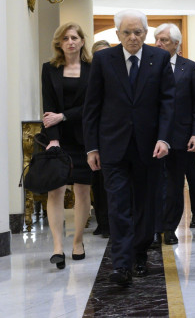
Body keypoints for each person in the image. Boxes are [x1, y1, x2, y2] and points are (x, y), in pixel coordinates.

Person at [83, 9, 175, 287]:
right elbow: (92, 107)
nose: (133, 37)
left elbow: (168, 102)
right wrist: (92, 147)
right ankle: (121, 264)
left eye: (138, 32)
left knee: (146, 206)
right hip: (113, 146)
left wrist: (164, 138)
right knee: (118, 206)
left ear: (146, 33)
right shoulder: (102, 60)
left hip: (150, 147)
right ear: (117, 34)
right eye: (127, 32)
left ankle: (139, 255)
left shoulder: (159, 58)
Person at [41, 22, 93, 270]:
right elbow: (49, 107)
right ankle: (57, 247)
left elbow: (93, 107)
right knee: (56, 192)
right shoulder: (49, 69)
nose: (70, 42)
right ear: (59, 44)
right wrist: (53, 139)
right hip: (57, 139)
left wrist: (64, 116)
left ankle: (78, 242)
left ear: (82, 41)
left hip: (85, 137)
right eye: (65, 38)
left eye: (74, 37)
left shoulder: (93, 70)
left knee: (83, 192)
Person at [154, 23, 195, 245]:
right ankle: (154, 228)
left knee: (175, 185)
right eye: (157, 39)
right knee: (154, 184)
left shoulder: (189, 67)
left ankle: (169, 228)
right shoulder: (148, 64)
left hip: (181, 136)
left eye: (163, 40)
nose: (158, 44)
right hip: (153, 136)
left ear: (176, 44)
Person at [89, 39, 112, 239]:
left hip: (110, 136)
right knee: (97, 182)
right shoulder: (89, 74)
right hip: (92, 136)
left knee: (109, 182)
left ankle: (111, 222)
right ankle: (102, 221)